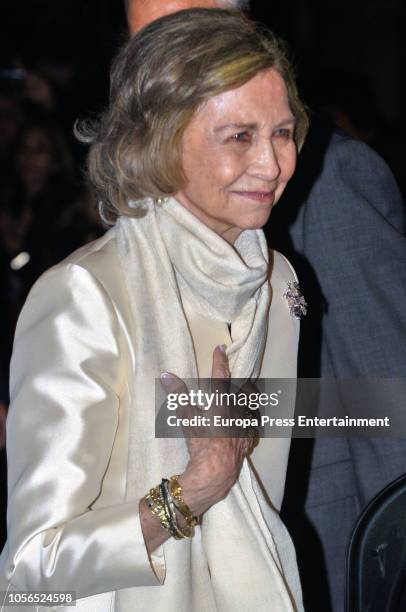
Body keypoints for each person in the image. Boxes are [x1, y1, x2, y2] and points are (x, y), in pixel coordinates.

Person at [0, 9, 309, 611]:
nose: (273, 165)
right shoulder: (84, 296)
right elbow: (31, 573)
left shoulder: (277, 286)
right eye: (239, 136)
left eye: (283, 132)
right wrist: (191, 492)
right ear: (161, 141)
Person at [125, 3, 406, 612]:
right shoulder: (147, 191)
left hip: (314, 551)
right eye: (145, 37)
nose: (164, 58)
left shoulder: (325, 176)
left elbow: (387, 400)